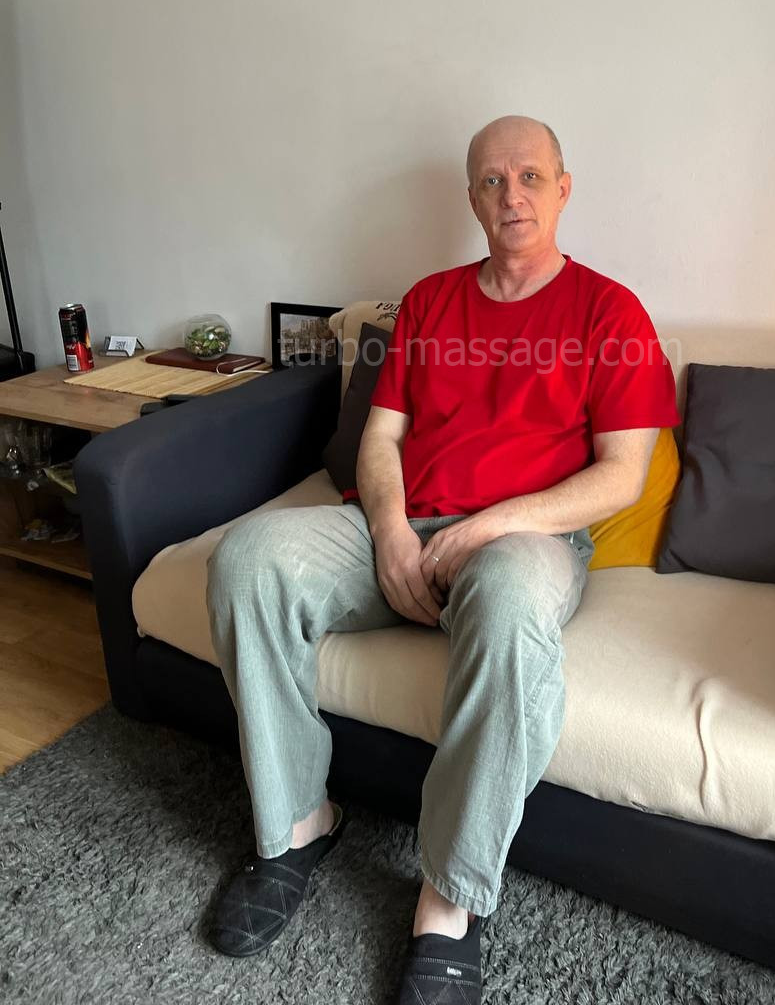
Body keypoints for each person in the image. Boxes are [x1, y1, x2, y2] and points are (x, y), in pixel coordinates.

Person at [205, 114, 680, 1003]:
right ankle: (298, 823)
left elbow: (622, 475)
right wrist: (390, 532)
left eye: (531, 177)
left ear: (564, 189)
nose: (512, 195)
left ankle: (450, 897)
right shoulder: (428, 301)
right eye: (493, 180)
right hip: (400, 522)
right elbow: (381, 439)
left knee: (509, 603)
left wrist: (490, 527)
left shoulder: (610, 311)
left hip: (528, 541)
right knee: (247, 559)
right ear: (471, 198)